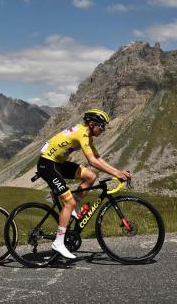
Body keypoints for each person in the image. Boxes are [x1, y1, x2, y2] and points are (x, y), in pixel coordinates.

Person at [36, 108, 132, 259]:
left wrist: (117, 171)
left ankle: (71, 204)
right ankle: (59, 242)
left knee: (90, 177)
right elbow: (92, 161)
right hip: (47, 164)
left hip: (58, 163)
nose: (103, 129)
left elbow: (98, 158)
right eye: (102, 126)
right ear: (92, 124)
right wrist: (116, 174)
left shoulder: (87, 134)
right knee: (69, 203)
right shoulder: (82, 133)